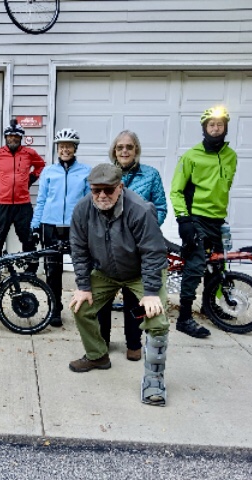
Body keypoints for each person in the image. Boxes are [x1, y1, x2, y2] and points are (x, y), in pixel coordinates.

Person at [68, 163, 170, 406]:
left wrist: (151, 292)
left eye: (109, 189)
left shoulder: (140, 209)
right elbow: (79, 250)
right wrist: (83, 286)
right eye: (96, 190)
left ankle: (154, 380)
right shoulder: (82, 209)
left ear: (120, 187)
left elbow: (153, 252)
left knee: (156, 319)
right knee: (81, 307)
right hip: (106, 272)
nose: (102, 195)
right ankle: (97, 355)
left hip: (141, 272)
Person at [97, 130, 168, 361]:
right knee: (103, 300)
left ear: (136, 149)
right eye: (120, 147)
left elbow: (160, 207)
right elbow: (96, 205)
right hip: (109, 246)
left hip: (137, 247)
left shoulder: (151, 174)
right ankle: (102, 341)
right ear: (114, 151)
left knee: (134, 299)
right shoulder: (105, 174)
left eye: (129, 147)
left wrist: (146, 230)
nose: (124, 151)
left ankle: (134, 343)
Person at [170, 106, 237, 338]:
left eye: (219, 125)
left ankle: (210, 307)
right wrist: (184, 220)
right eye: (211, 125)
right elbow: (176, 191)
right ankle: (184, 317)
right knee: (196, 264)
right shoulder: (191, 156)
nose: (215, 128)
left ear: (225, 128)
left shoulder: (231, 156)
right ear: (204, 128)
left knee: (217, 265)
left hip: (217, 220)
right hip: (195, 218)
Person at [30, 128, 90, 327]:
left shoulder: (85, 171)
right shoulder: (48, 171)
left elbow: (90, 202)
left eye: (69, 146)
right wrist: (35, 225)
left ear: (75, 148)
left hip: (75, 227)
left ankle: (85, 309)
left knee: (82, 269)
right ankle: (55, 309)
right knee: (53, 270)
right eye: (62, 146)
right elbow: (41, 200)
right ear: (57, 149)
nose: (65, 149)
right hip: (51, 226)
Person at [0, 119, 45, 272]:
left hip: (23, 205)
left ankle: (31, 269)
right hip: (3, 204)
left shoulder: (29, 153)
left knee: (28, 238)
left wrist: (31, 178)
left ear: (21, 138)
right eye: (10, 136)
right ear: (6, 137)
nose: (13, 139)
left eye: (16, 136)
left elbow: (41, 165)